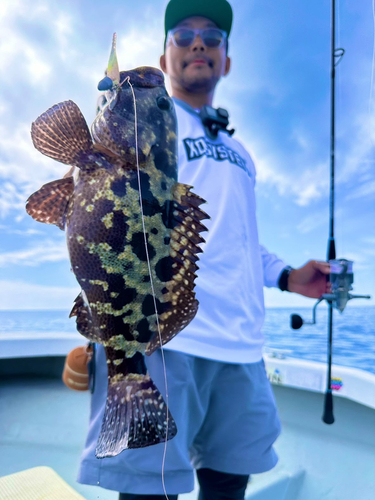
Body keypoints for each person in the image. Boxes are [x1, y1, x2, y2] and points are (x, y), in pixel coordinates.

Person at [77, 0, 331, 498]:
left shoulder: (240, 151)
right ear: (165, 53)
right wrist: (101, 129)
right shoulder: (146, 122)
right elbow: (92, 211)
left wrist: (287, 277)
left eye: (213, 37)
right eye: (183, 35)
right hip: (162, 339)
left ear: (226, 60)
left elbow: (239, 240)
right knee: (152, 488)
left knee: (230, 479)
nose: (198, 43)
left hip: (242, 344)